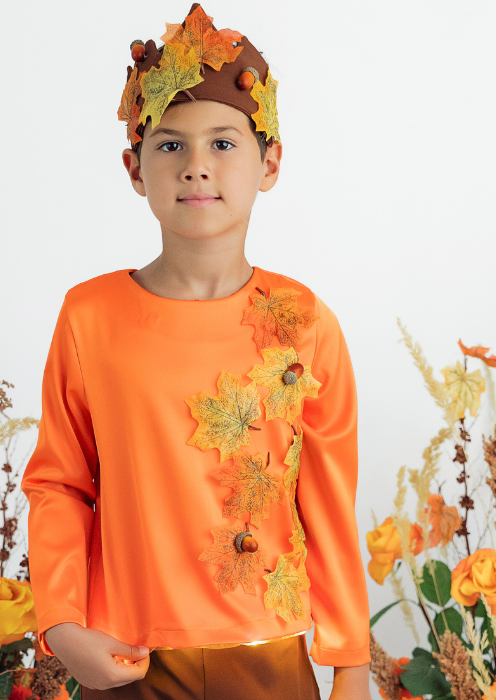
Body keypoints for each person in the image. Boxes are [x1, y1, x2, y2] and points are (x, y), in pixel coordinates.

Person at [20, 4, 372, 699]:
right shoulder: (89, 317)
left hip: (268, 657)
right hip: (126, 655)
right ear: (134, 167)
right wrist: (61, 625)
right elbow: (60, 483)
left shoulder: (304, 324)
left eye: (224, 143)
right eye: (170, 146)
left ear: (270, 162)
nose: (197, 167)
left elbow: (328, 501)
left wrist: (352, 661)